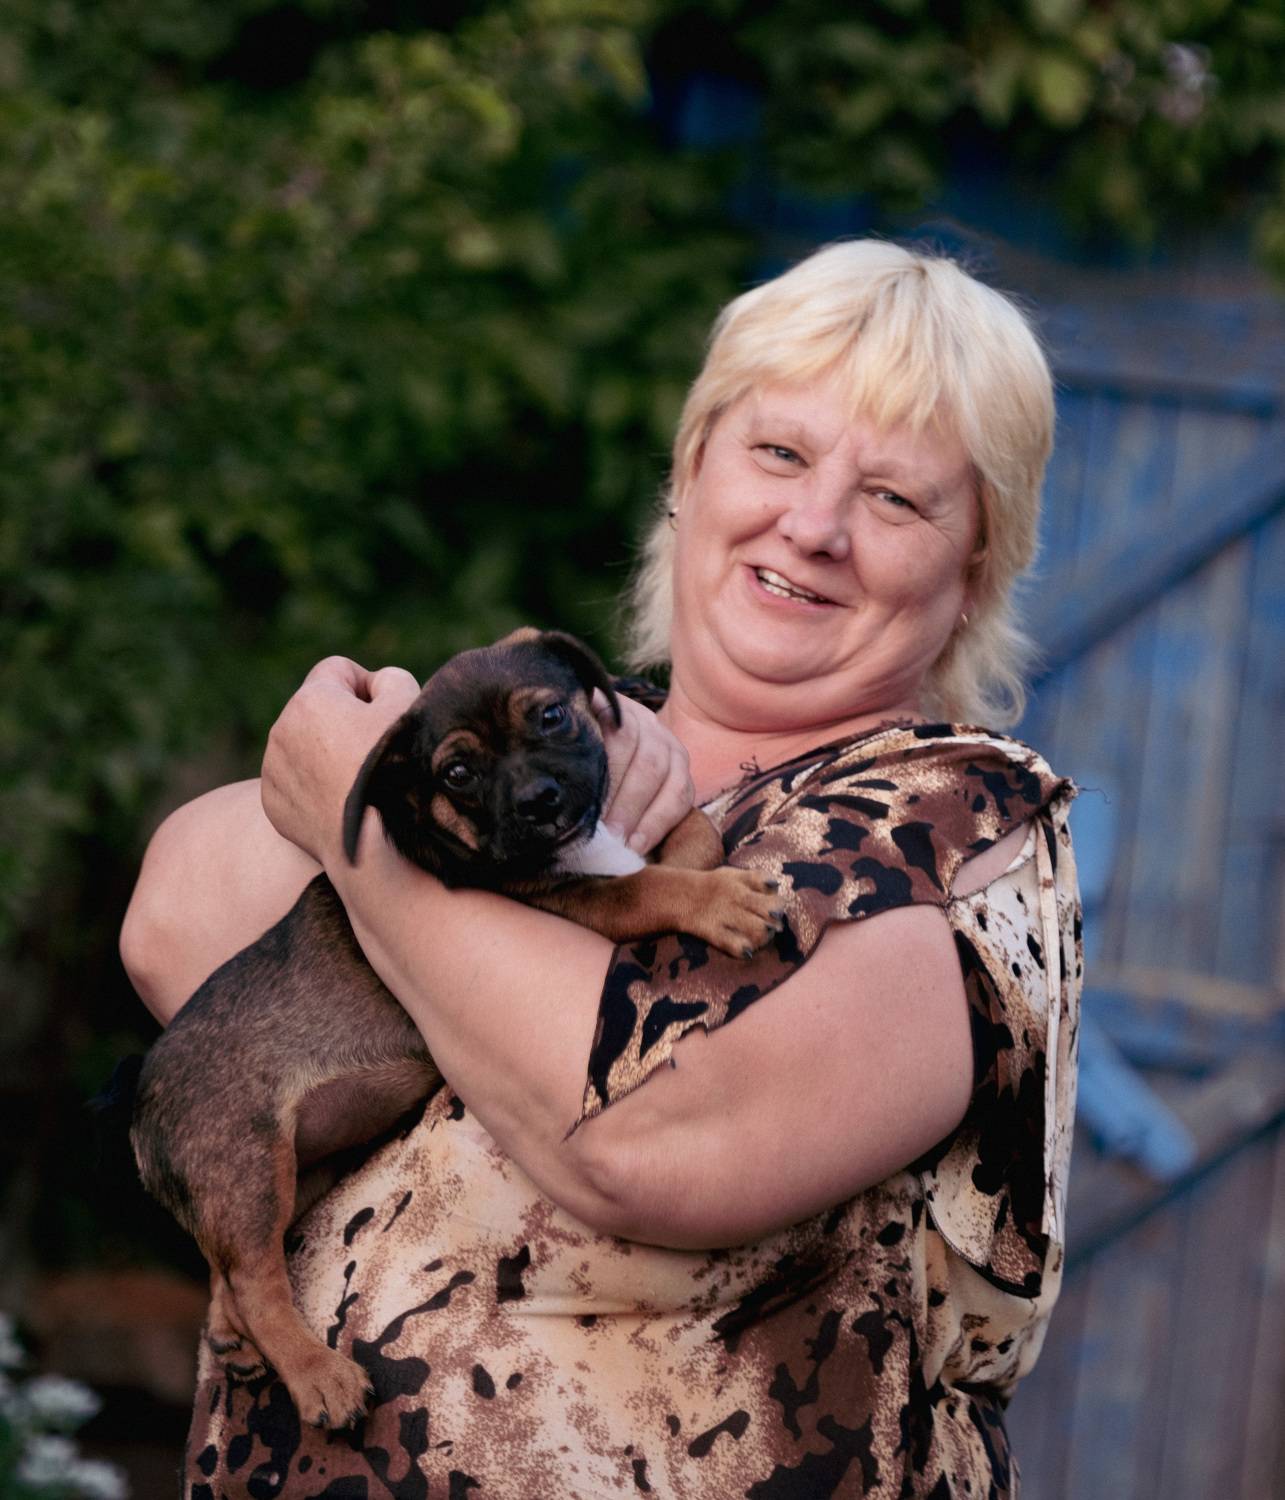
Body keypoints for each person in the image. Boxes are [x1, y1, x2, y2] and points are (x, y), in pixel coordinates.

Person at [121, 239, 1081, 1498]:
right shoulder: (543, 735)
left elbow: (645, 1139)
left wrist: (373, 845)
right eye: (778, 453)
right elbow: (173, 932)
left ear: (975, 570)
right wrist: (338, 779)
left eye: (895, 500)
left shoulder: (949, 831)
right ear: (690, 470)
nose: (813, 526)